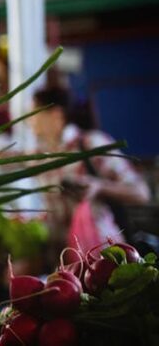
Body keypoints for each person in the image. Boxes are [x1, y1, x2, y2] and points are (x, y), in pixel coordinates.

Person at [30, 86, 149, 255]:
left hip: (103, 255)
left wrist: (99, 187)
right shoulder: (41, 155)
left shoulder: (91, 144)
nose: (30, 121)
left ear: (56, 114)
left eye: (34, 114)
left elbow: (141, 192)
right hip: (63, 259)